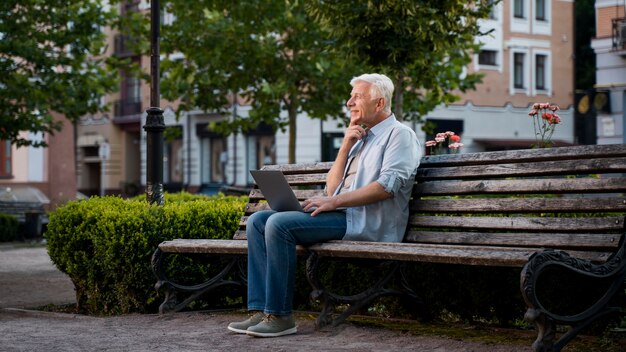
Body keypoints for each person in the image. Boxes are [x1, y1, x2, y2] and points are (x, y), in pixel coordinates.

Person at [228, 73, 421, 337]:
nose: (349, 102)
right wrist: (345, 145)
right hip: (343, 215)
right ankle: (262, 310)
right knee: (258, 221)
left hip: (368, 223)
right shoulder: (361, 138)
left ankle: (281, 316)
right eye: (350, 96)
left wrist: (333, 202)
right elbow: (332, 187)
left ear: (379, 103)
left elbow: (385, 188)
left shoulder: (400, 136)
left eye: (357, 96)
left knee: (278, 224)